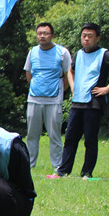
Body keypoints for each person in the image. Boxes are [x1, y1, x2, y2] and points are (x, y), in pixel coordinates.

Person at [56, 23, 109, 179]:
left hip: (94, 103)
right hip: (77, 102)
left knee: (90, 140)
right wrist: (73, 86)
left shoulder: (104, 54)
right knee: (70, 138)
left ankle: (87, 173)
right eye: (84, 36)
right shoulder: (78, 54)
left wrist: (107, 88)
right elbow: (70, 70)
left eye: (90, 36)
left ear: (97, 38)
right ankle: (62, 172)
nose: (86, 39)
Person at [23, 23, 72, 170]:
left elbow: (67, 75)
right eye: (39, 33)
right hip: (34, 98)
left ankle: (57, 167)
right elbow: (29, 74)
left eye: (45, 33)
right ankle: (29, 166)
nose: (42, 36)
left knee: (54, 136)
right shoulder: (32, 52)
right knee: (32, 135)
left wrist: (59, 91)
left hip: (54, 100)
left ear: (52, 35)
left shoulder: (62, 52)